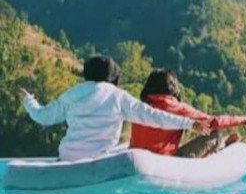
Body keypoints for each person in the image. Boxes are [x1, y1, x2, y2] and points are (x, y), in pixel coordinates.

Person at [21, 55, 211, 161]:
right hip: (99, 163)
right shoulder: (117, 96)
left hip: (67, 157)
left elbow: (42, 116)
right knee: (125, 147)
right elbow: (153, 116)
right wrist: (188, 123)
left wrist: (29, 101)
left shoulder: (72, 94)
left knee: (124, 145)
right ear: (114, 77)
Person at [130, 68, 246, 158]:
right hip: (168, 161)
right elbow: (213, 122)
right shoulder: (177, 108)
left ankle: (223, 144)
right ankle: (223, 145)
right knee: (215, 134)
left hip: (139, 159)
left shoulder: (138, 107)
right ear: (173, 87)